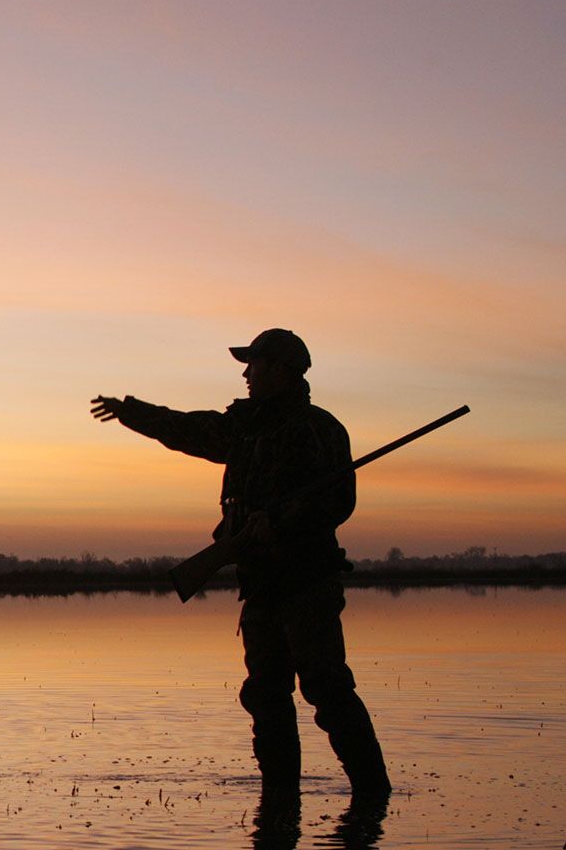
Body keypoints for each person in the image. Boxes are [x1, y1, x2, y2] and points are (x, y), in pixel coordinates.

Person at [90, 329, 391, 797]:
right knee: (266, 696)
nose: (247, 374)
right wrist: (131, 412)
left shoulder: (318, 428)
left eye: (255, 364)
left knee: (327, 690)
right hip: (260, 585)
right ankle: (279, 796)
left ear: (282, 370)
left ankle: (373, 794)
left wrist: (282, 526)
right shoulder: (245, 429)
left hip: (306, 583)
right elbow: (187, 429)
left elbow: (338, 502)